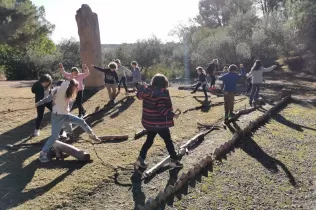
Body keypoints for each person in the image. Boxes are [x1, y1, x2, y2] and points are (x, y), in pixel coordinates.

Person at [36, 78, 101, 163]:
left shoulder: (65, 93)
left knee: (81, 121)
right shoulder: (60, 91)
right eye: (76, 86)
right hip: (57, 116)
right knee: (54, 137)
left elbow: (48, 98)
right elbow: (63, 86)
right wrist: (70, 77)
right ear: (71, 86)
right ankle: (43, 154)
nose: (76, 88)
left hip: (64, 114)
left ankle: (92, 135)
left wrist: (40, 102)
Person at [134, 73, 183, 169]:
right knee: (168, 141)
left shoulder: (147, 90)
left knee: (149, 140)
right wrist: (173, 115)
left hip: (148, 122)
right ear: (164, 82)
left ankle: (140, 159)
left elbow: (139, 95)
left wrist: (142, 87)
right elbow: (161, 109)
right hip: (159, 123)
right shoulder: (162, 93)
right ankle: (174, 160)